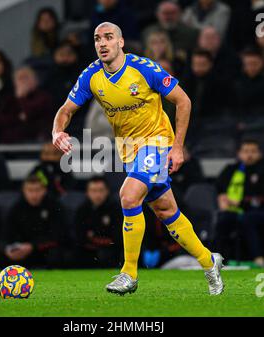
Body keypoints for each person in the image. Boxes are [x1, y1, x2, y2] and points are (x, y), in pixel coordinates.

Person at [52, 22, 224, 295]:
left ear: (121, 42)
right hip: (130, 150)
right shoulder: (91, 76)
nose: (102, 43)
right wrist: (57, 130)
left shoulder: (144, 68)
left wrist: (178, 147)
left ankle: (128, 273)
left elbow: (183, 101)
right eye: (98, 39)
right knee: (166, 211)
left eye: (109, 37)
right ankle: (208, 261)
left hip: (157, 141)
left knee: (129, 196)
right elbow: (66, 109)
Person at [1, 175, 69, 268]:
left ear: (44, 190)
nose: (34, 194)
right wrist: (7, 249)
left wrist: (32, 246)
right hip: (22, 251)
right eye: (30, 190)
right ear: (24, 191)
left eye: (37, 190)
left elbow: (59, 235)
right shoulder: (16, 209)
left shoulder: (54, 207)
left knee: (56, 254)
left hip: (45, 249)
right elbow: (5, 234)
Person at [215, 140, 264, 266]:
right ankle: (218, 260)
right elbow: (219, 188)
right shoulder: (231, 169)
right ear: (239, 153)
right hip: (232, 210)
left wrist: (240, 203)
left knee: (248, 219)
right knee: (223, 220)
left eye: (253, 151)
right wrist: (221, 198)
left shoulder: (261, 170)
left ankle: (258, 258)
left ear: (259, 154)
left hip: (256, 210)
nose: (249, 155)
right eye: (246, 151)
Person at [0, 66, 54, 143]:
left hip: (35, 138)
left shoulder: (43, 97)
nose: (22, 81)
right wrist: (18, 118)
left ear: (35, 80)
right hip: (10, 140)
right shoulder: (9, 98)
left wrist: (21, 98)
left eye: (25, 78)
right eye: (19, 78)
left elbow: (29, 114)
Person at [75, 176, 122, 268]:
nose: (97, 195)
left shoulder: (115, 209)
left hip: (110, 251)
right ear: (87, 193)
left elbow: (118, 237)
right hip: (87, 251)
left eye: (101, 190)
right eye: (93, 191)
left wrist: (93, 237)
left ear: (107, 191)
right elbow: (79, 235)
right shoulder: (82, 210)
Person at [233, 48, 264, 116]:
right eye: (248, 64)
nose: (252, 67)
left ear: (262, 63)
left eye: (255, 63)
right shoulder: (236, 83)